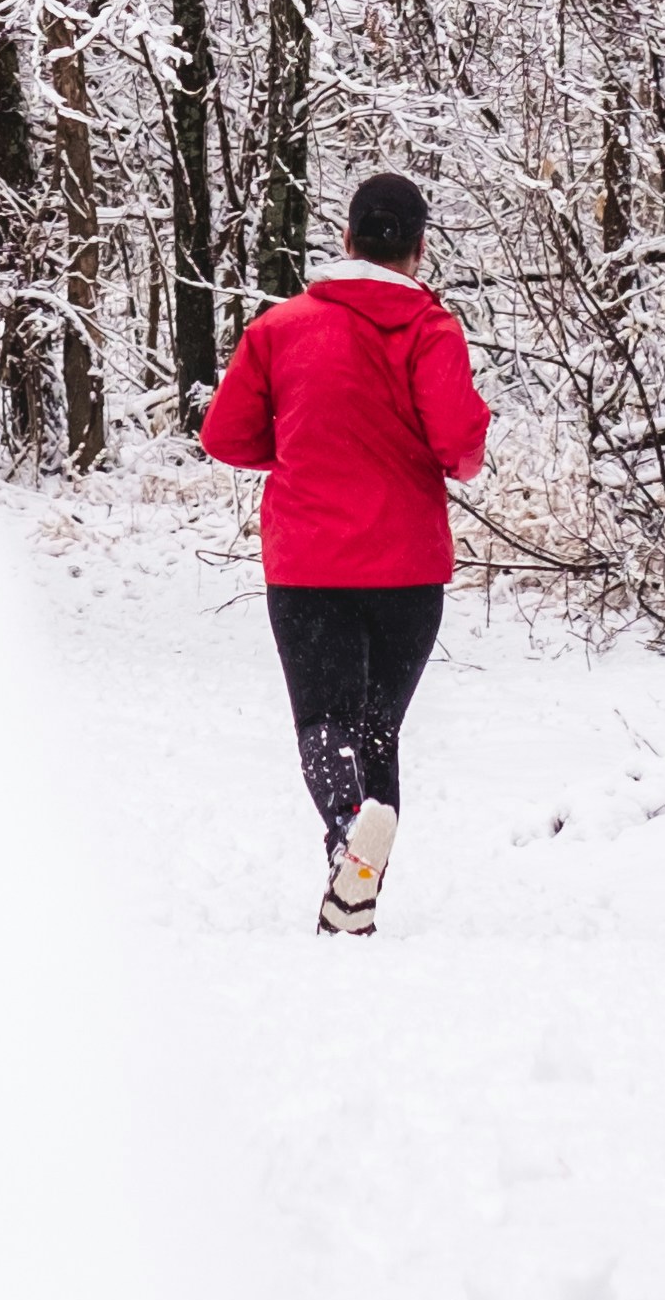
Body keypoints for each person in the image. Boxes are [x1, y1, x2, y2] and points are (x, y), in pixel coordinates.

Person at [197, 174, 491, 937]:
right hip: (409, 567)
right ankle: (354, 889)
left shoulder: (280, 329)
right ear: (419, 249)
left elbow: (224, 436)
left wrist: (298, 449)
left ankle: (346, 842)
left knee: (327, 722)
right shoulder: (433, 330)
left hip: (308, 564)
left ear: (347, 239)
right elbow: (460, 446)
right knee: (377, 728)